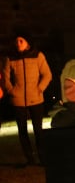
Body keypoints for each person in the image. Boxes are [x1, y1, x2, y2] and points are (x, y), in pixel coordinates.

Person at [2, 32, 52, 166]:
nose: (18, 43)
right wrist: (11, 91)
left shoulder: (37, 56)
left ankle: (42, 157)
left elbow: (47, 74)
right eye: (16, 41)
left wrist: (39, 88)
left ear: (27, 43)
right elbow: (5, 78)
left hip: (36, 99)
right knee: (22, 130)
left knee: (38, 130)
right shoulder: (10, 58)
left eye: (21, 41)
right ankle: (29, 158)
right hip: (18, 100)